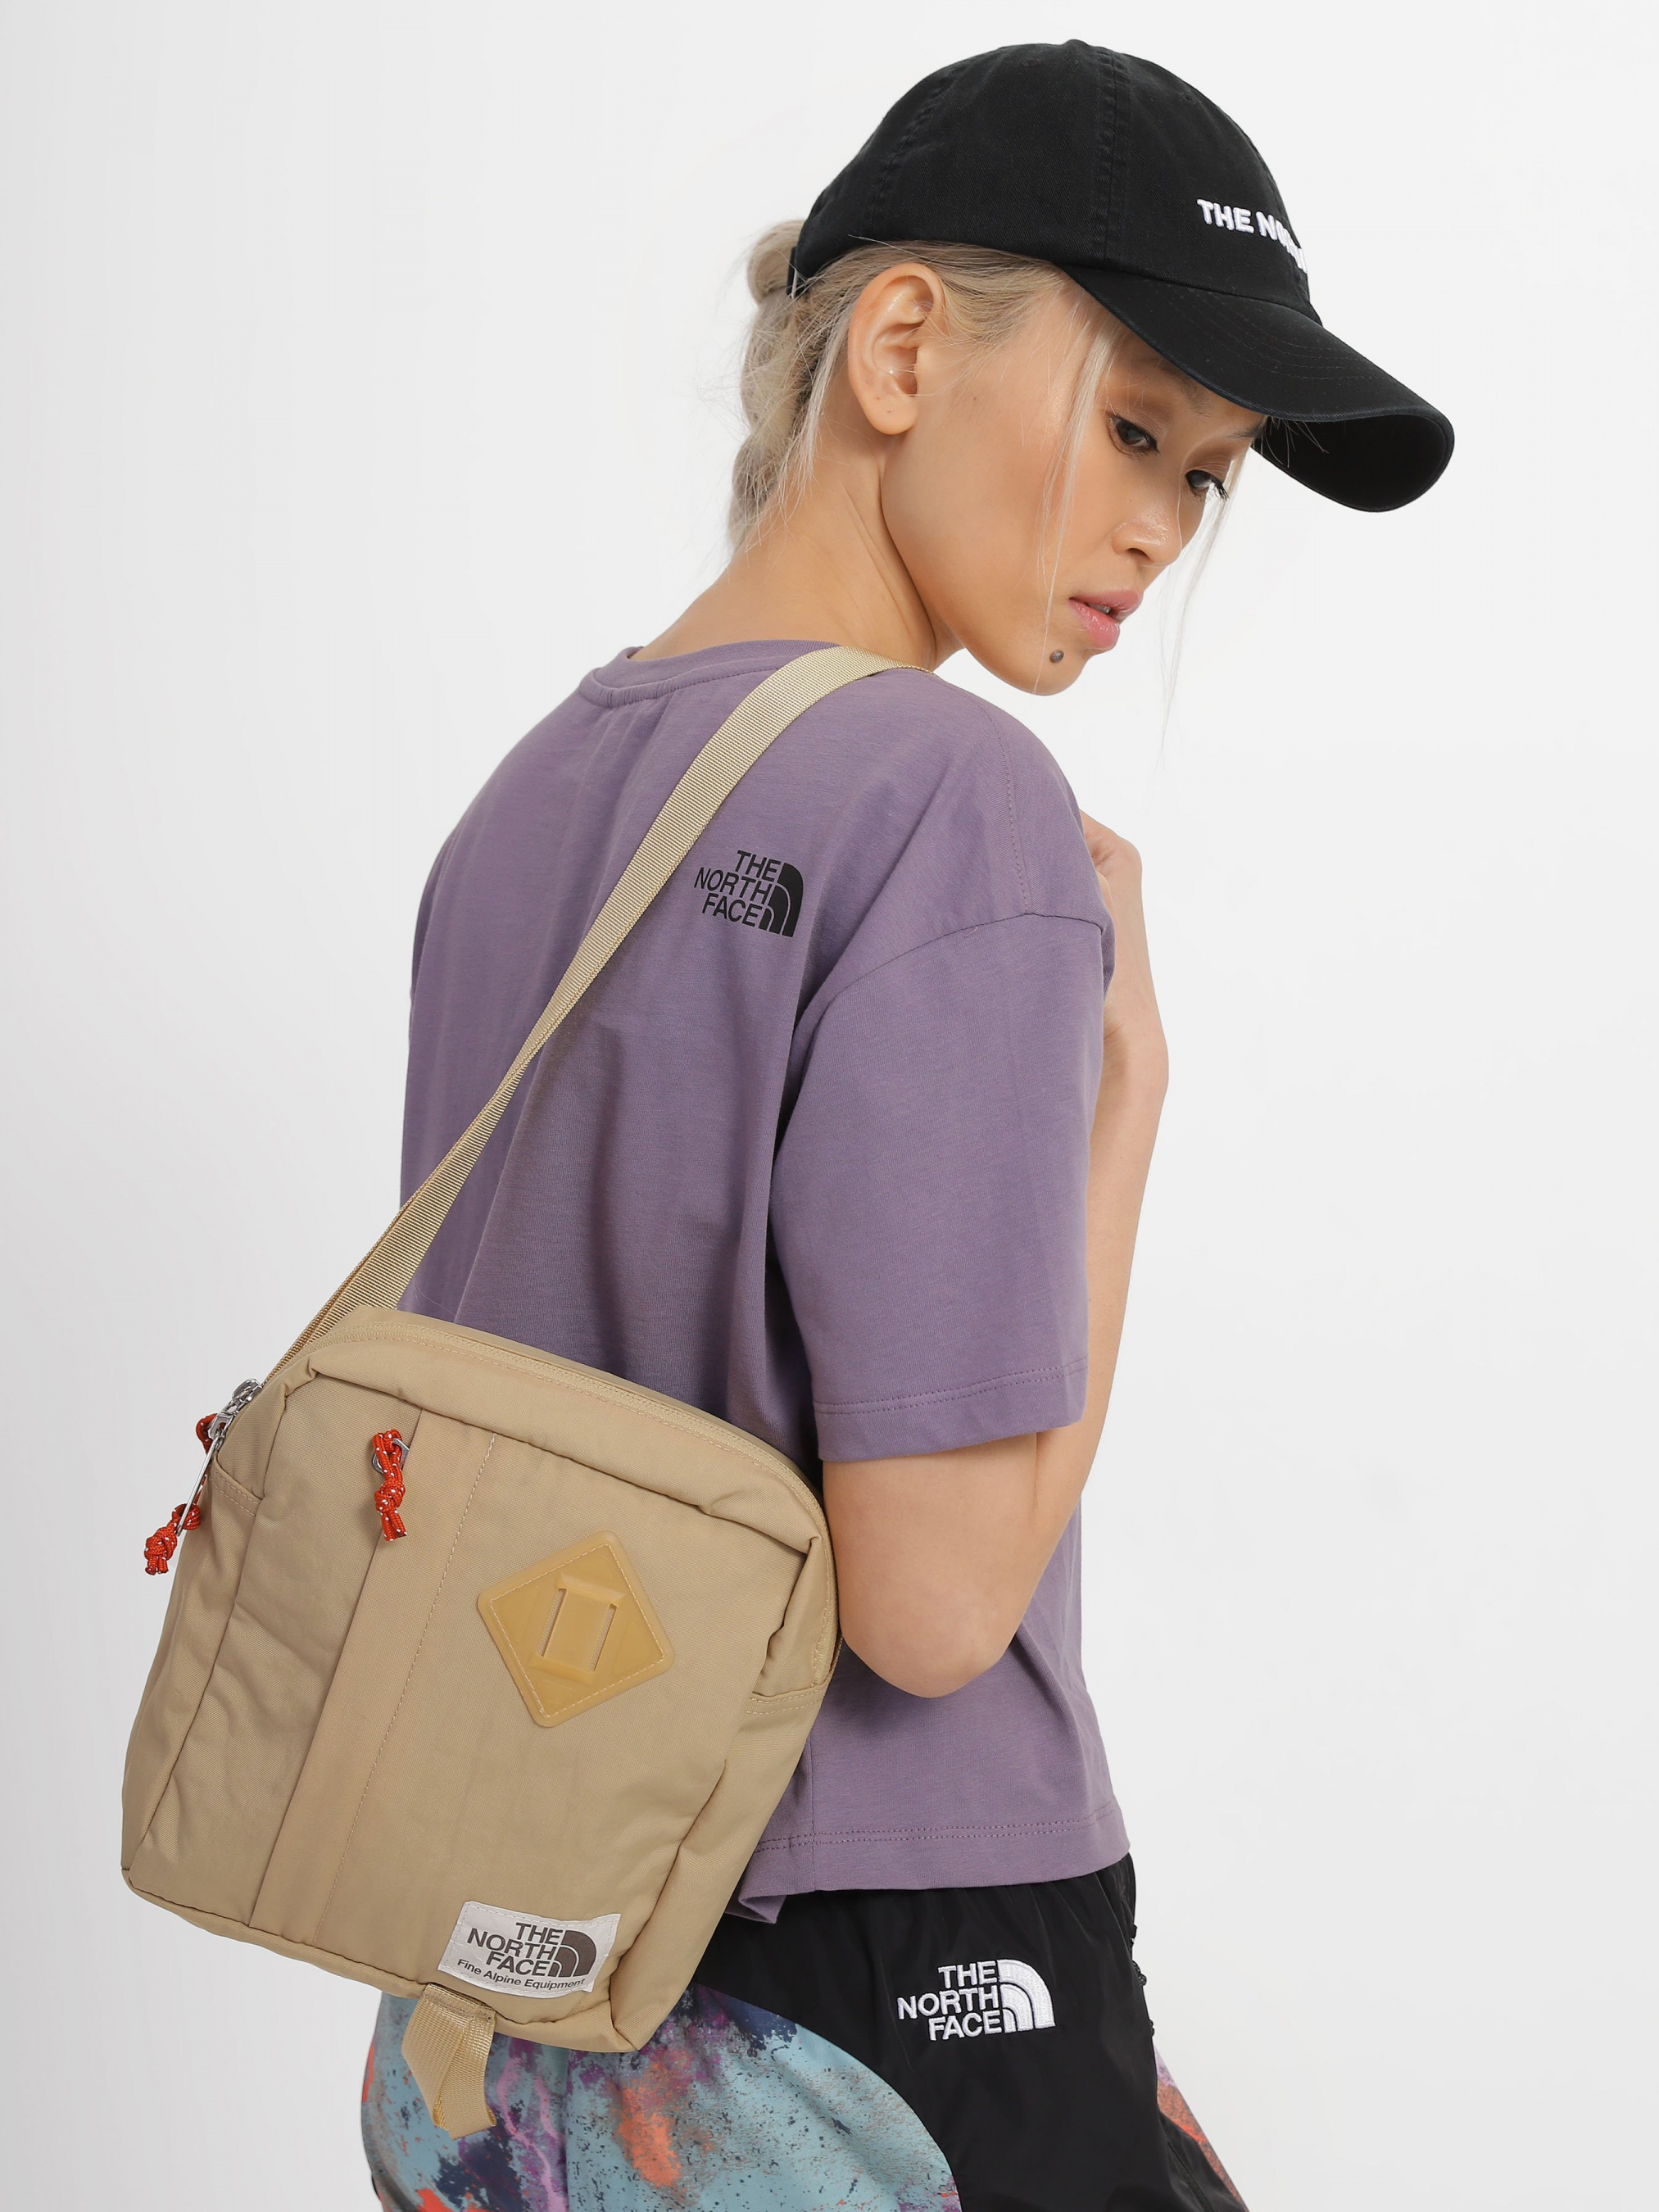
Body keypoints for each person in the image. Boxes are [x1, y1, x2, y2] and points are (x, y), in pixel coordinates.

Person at [361, 40, 1451, 2212]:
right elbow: (933, 1607)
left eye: (1207, 476)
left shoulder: (526, 800)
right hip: (879, 1984)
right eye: (1134, 426)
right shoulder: (951, 804)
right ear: (898, 349)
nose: (1159, 526)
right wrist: (1129, 1106)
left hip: (479, 2009)